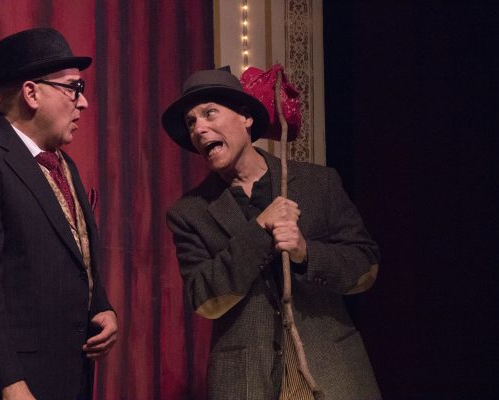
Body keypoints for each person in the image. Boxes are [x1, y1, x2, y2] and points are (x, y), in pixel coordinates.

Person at [161, 68, 381, 400]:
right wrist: (259, 231)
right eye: (191, 122)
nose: (199, 128)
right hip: (246, 379)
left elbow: (365, 267)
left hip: (331, 369)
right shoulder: (189, 213)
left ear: (246, 118)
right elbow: (204, 299)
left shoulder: (318, 183)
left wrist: (306, 253)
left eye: (209, 113)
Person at [0, 28, 117, 400]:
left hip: (68, 377)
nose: (83, 103)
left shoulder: (64, 165)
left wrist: (101, 306)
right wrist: (10, 384)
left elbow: (71, 255)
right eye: (73, 88)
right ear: (32, 93)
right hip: (11, 386)